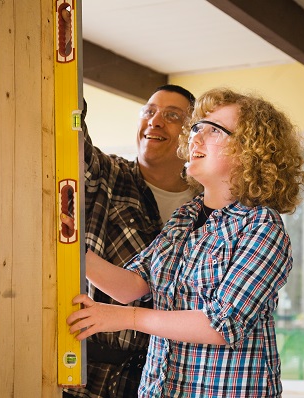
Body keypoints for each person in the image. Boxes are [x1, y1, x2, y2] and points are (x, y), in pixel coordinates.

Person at [67, 88, 304, 397]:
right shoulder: (184, 218)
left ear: (251, 152)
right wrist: (75, 248)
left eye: (213, 130)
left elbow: (222, 325)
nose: (195, 137)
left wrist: (126, 319)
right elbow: (131, 287)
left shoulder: (262, 227)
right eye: (196, 128)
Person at [62, 85, 198, 398]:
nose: (156, 121)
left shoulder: (206, 210)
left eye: (172, 116)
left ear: (193, 136)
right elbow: (71, 133)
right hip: (91, 378)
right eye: (149, 112)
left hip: (172, 379)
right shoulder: (108, 174)